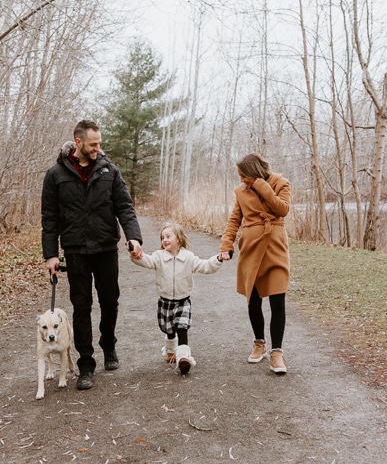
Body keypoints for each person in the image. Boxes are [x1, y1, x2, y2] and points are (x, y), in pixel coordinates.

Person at [41, 119, 143, 390]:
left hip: (106, 247)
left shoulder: (109, 170)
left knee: (110, 301)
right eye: (94, 144)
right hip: (75, 250)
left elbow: (125, 207)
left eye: (100, 143)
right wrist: (51, 254)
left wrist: (133, 236)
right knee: (81, 306)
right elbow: (49, 218)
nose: (99, 148)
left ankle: (108, 344)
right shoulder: (55, 175)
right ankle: (86, 363)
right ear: (78, 143)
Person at [218, 154, 291, 374]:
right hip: (250, 248)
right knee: (254, 299)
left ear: (255, 172)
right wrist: (226, 245)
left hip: (275, 246)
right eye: (240, 177)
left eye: (245, 176)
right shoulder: (241, 191)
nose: (242, 180)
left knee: (278, 300)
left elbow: (282, 209)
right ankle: (259, 343)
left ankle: (276, 352)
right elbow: (234, 220)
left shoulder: (281, 183)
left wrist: (261, 186)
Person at [130, 223, 223, 374]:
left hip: (182, 300)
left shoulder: (188, 257)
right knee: (168, 329)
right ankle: (171, 350)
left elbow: (205, 266)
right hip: (165, 300)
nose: (164, 240)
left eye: (168, 236)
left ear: (179, 239)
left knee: (182, 327)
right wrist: (135, 254)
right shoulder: (159, 257)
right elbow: (146, 260)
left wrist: (217, 259)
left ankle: (184, 358)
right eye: (162, 237)